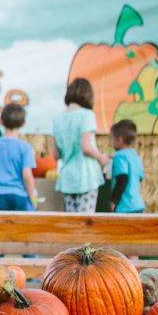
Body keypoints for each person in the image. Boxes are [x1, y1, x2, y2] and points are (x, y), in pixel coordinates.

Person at [51, 77, 110, 214]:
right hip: (86, 176)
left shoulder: (57, 120)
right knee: (86, 221)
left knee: (72, 223)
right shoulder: (87, 115)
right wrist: (101, 157)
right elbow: (86, 147)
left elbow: (55, 154)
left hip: (67, 178)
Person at [0, 103, 37, 211]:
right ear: (23, 122)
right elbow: (27, 176)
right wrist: (33, 199)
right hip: (19, 195)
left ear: (1, 121)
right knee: (19, 228)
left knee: (2, 227)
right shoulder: (25, 147)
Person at [109, 119, 145, 213]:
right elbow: (140, 178)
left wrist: (113, 201)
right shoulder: (135, 156)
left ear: (120, 140)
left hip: (124, 207)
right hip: (137, 205)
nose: (111, 142)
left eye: (112, 138)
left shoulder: (119, 156)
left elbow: (122, 178)